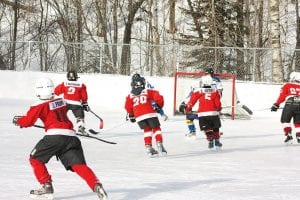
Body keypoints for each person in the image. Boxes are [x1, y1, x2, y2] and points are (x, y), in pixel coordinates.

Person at [12, 77, 107, 200]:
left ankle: (46, 186)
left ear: (38, 90)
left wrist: (18, 120)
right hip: (71, 137)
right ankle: (96, 185)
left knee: (35, 159)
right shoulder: (61, 100)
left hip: (54, 137)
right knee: (78, 165)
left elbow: (28, 121)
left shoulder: (38, 105)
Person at [125, 75, 167, 157]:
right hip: (150, 113)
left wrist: (131, 115)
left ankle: (148, 147)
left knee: (147, 130)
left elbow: (128, 106)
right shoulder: (147, 91)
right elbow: (158, 96)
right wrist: (159, 105)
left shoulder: (130, 96)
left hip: (139, 116)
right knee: (156, 128)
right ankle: (159, 143)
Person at [185, 75, 223, 149]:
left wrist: (188, 108)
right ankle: (217, 140)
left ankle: (210, 139)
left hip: (202, 114)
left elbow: (192, 101)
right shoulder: (215, 91)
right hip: (213, 113)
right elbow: (217, 103)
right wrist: (218, 108)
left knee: (207, 128)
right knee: (215, 127)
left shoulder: (199, 91)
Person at [271, 71, 300, 144]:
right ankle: (299, 135)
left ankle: (289, 136)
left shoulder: (287, 85)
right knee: (298, 122)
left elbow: (282, 96)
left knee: (285, 120)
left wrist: (276, 104)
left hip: (289, 104)